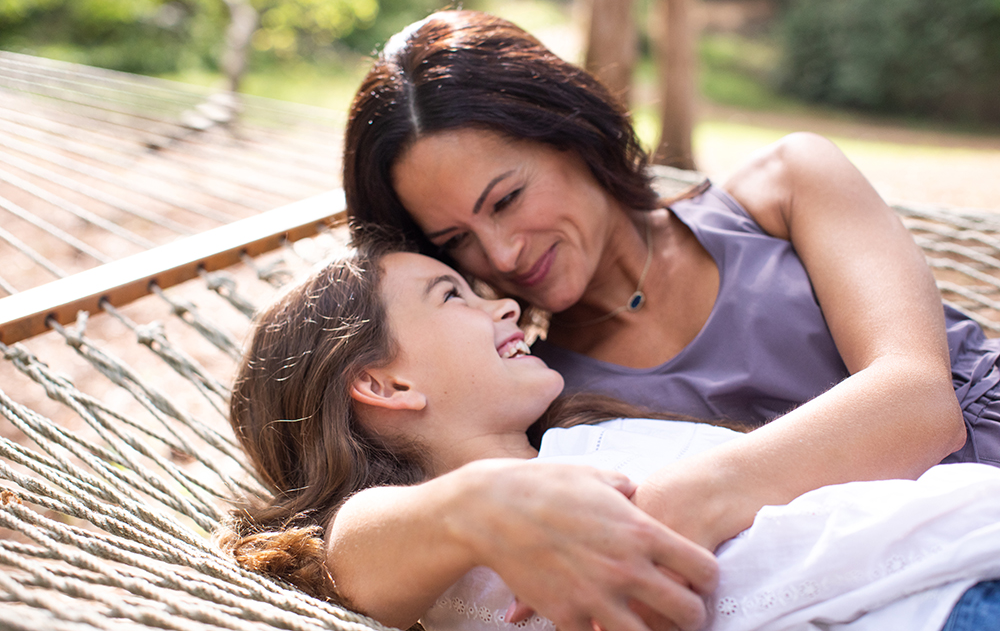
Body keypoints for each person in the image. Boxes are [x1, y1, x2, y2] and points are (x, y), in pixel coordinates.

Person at [338, 8, 1000, 623]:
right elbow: (356, 557)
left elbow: (919, 402)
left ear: (570, 133)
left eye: (507, 198)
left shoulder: (787, 187)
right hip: (905, 589)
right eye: (456, 241)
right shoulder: (536, 394)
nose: (502, 252)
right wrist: (471, 506)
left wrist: (702, 491)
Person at [218, 243, 1000, 631]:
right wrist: (478, 503)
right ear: (386, 383)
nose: (505, 309)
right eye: (451, 294)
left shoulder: (592, 433)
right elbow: (351, 547)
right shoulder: (442, 550)